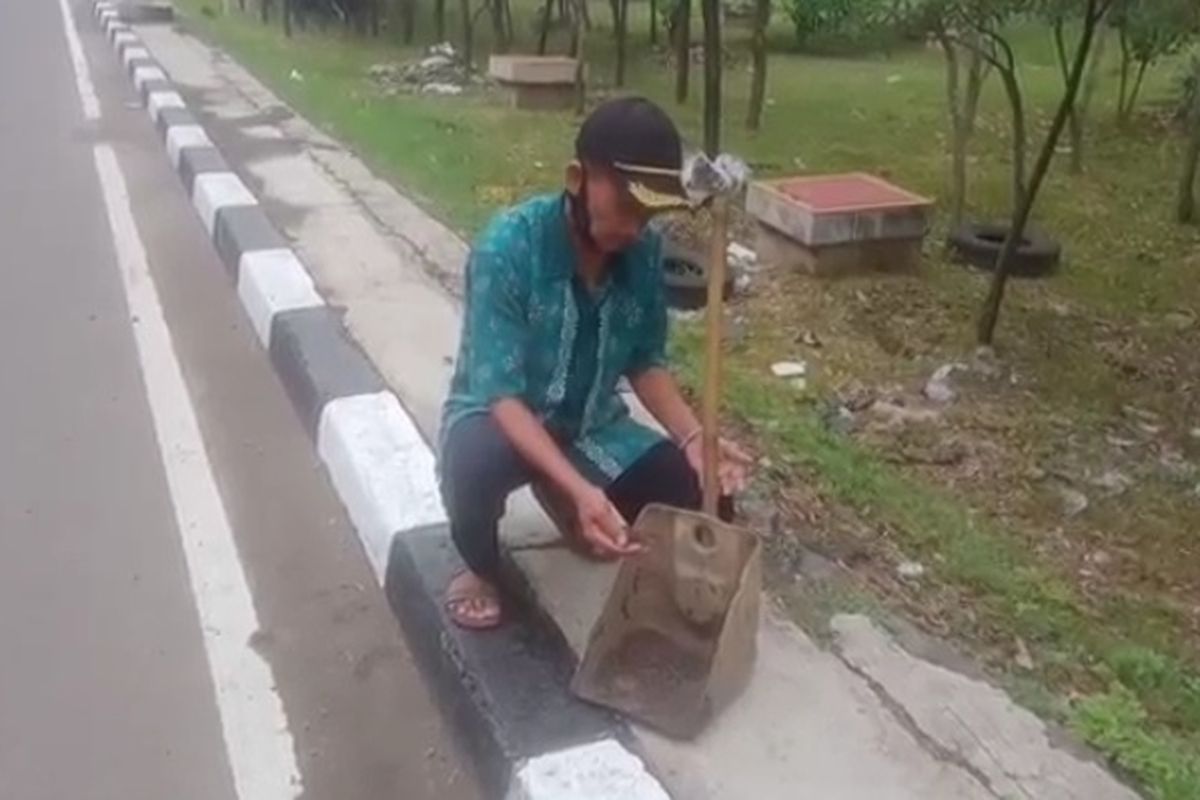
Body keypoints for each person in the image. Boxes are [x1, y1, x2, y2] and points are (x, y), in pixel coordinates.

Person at [438, 96, 751, 630]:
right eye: (626, 207)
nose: (635, 228)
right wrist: (583, 491)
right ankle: (482, 567)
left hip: (589, 424)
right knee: (472, 467)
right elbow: (502, 398)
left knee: (700, 500)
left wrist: (696, 439)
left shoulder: (644, 253)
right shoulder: (508, 248)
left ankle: (570, 495)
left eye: (648, 213)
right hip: (505, 423)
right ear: (577, 179)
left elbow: (646, 362)